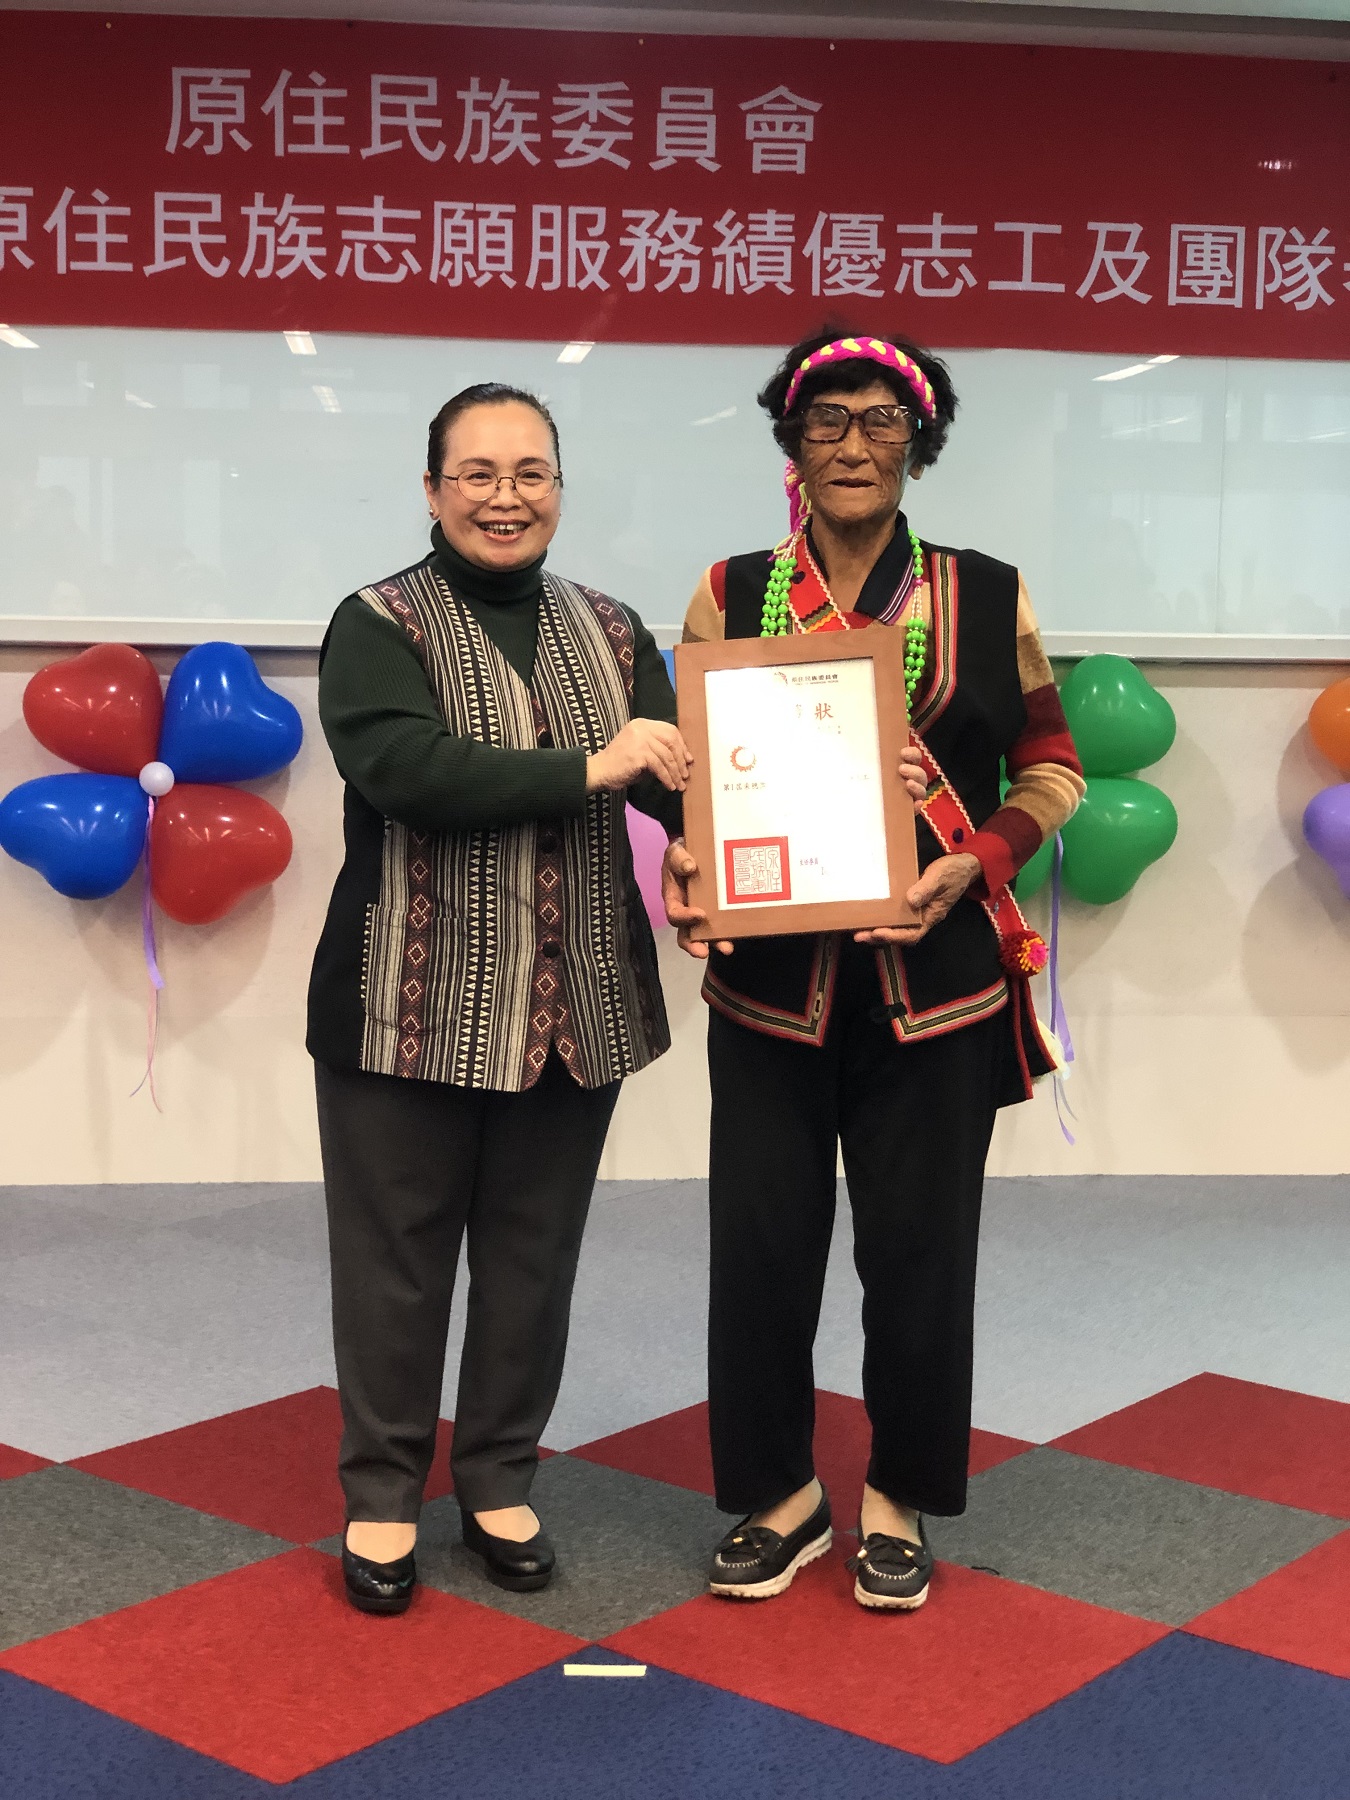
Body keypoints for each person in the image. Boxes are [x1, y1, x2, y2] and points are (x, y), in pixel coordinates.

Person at [664, 330, 1084, 1612]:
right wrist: (687, 862)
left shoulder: (987, 594)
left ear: (919, 440)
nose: (854, 443)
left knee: (919, 1257)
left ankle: (899, 1492)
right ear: (791, 444)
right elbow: (693, 781)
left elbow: (1053, 770)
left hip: (937, 986)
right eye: (827, 420)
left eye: (881, 419)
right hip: (771, 992)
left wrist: (979, 862)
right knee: (761, 1252)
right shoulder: (729, 593)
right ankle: (780, 1495)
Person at [308, 382, 689, 1613]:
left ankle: (497, 1479)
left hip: (579, 1001)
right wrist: (593, 765)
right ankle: (382, 1497)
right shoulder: (377, 622)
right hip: (407, 1003)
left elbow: (677, 776)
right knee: (397, 1265)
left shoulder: (615, 628)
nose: (505, 497)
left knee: (533, 1261)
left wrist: (729, 834)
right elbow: (409, 773)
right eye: (477, 474)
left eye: (530, 473)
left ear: (560, 490)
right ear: (433, 491)